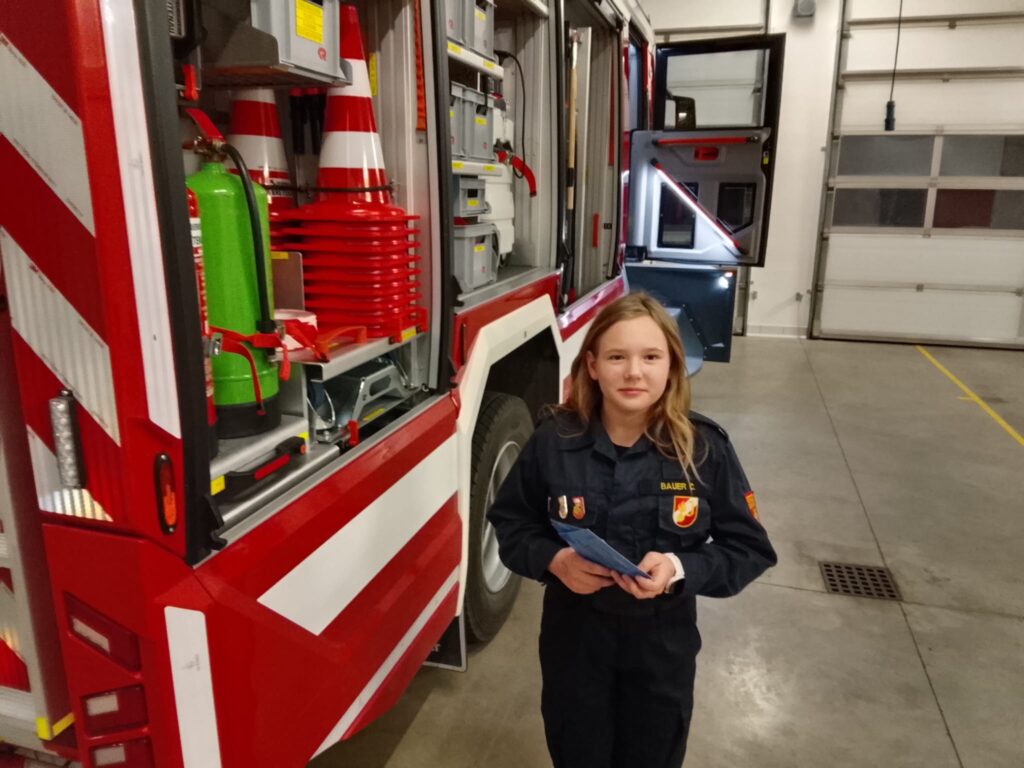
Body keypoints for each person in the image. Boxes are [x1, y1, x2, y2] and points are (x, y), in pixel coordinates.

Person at [486, 292, 777, 768]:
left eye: (651, 357)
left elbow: (749, 549)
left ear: (673, 366)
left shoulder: (703, 450)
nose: (634, 372)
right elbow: (512, 523)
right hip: (574, 644)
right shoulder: (554, 442)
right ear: (593, 365)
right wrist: (555, 560)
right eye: (617, 357)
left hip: (662, 649)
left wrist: (679, 567)